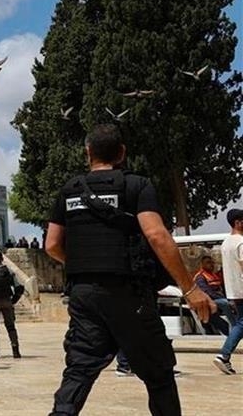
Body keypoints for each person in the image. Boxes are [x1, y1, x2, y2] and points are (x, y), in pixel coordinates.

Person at [45, 123, 214, 415]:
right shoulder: (136, 185)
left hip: (83, 294)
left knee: (79, 369)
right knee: (159, 374)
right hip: (129, 293)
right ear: (122, 153)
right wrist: (189, 287)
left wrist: (85, 265)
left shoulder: (69, 190)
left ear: (88, 153)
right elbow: (157, 235)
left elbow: (51, 245)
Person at [214, 209, 243, 374]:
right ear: (238, 222)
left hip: (234, 290)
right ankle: (224, 355)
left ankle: (224, 356)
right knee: (241, 323)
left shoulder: (226, 243)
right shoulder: (241, 242)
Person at [193, 255, 236, 335]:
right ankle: (234, 326)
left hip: (218, 299)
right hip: (209, 300)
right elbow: (207, 292)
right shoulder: (201, 277)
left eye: (212, 262)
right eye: (208, 263)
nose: (211, 264)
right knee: (225, 303)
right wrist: (224, 298)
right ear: (202, 265)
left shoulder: (213, 275)